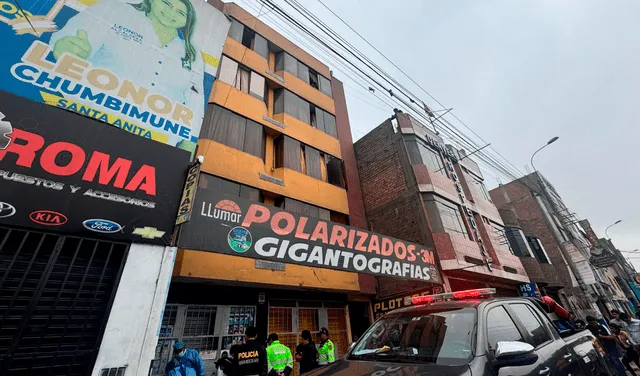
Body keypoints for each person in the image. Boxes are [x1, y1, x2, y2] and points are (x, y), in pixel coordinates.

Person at [48, 0, 206, 148]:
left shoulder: (191, 52)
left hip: (155, 143)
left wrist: (189, 142)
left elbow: (195, 100)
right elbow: (72, 41)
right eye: (166, 3)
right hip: (88, 121)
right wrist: (67, 47)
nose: (171, 13)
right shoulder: (117, 10)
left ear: (187, 21)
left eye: (181, 13)